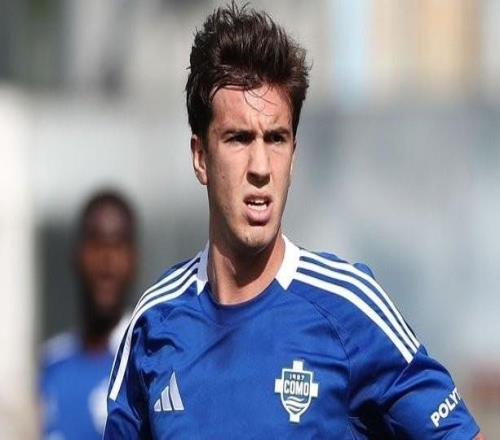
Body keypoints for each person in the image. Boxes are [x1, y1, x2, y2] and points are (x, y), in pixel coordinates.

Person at [104, 3, 484, 438]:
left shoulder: (349, 306)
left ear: (294, 155)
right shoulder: (154, 322)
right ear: (200, 157)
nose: (261, 167)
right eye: (239, 138)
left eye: (276, 139)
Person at [40, 191, 137, 439]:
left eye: (118, 244)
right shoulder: (52, 364)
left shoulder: (145, 360)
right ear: (76, 256)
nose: (107, 261)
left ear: (134, 260)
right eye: (96, 243)